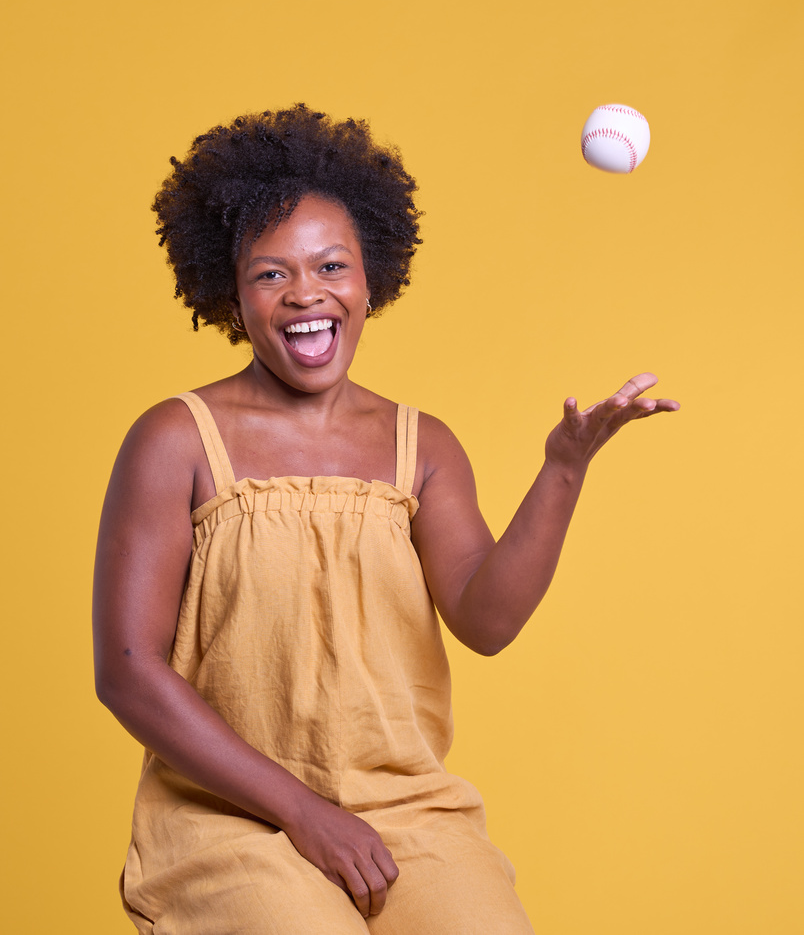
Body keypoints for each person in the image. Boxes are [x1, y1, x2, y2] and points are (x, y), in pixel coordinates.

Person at [93, 104, 679, 934]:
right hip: (229, 816)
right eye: (270, 274)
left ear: (371, 279)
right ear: (231, 293)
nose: (306, 293)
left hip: (408, 812)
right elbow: (127, 671)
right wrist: (303, 811)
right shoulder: (174, 439)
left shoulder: (422, 445)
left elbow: (487, 622)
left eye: (332, 265)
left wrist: (563, 469)